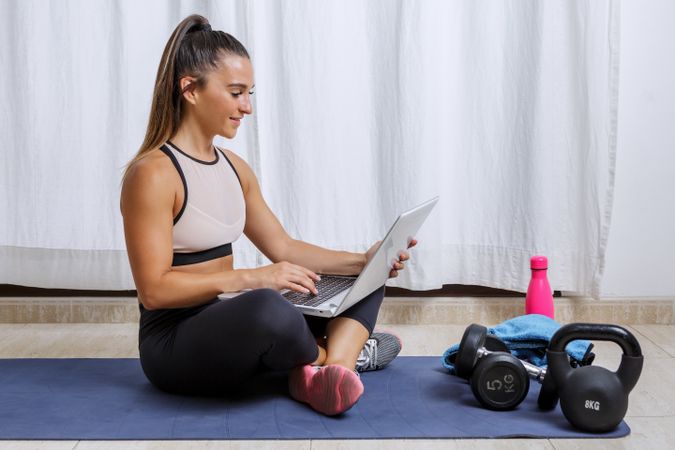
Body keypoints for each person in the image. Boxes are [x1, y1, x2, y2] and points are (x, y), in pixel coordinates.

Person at [120, 14, 417, 416]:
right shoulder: (152, 174)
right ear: (189, 89)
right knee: (267, 306)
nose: (247, 107)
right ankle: (338, 354)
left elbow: (283, 246)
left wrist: (365, 262)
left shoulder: (235, 169)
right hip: (175, 344)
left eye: (250, 94)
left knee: (364, 280)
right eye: (236, 92)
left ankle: (331, 371)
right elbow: (154, 290)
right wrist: (257, 278)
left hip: (234, 322)